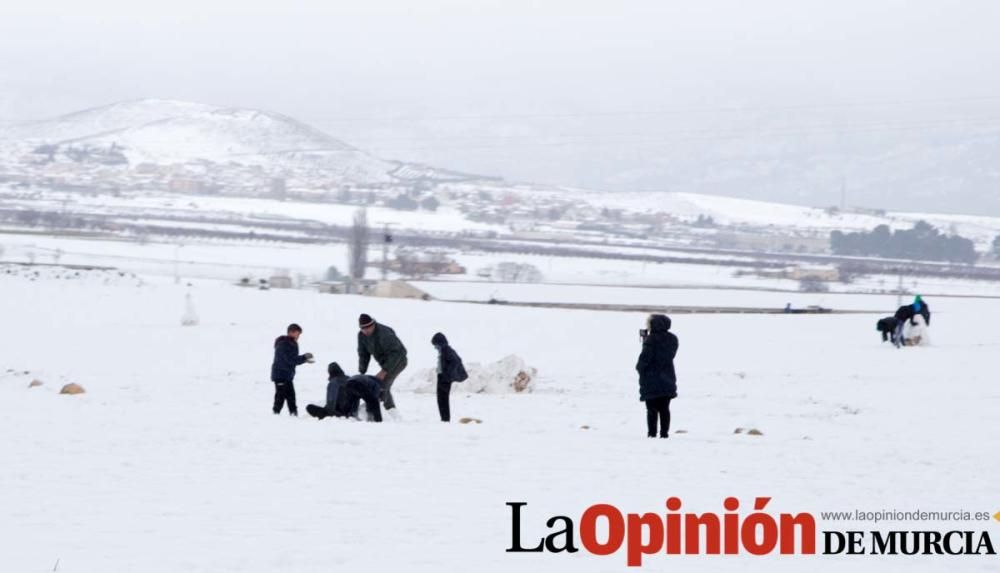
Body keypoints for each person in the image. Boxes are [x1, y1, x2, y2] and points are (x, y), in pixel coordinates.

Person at [636, 314, 678, 439]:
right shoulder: (673, 339)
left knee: (651, 409)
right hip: (667, 377)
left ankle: (652, 434)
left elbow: (645, 359)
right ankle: (664, 433)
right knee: (665, 408)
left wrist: (640, 369)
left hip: (651, 379)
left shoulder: (651, 340)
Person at [357, 313, 408, 412]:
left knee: (381, 384)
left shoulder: (384, 333)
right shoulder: (362, 336)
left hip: (398, 360)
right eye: (363, 329)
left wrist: (384, 371)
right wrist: (361, 371)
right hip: (385, 362)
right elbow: (363, 354)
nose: (366, 331)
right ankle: (390, 410)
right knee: (382, 385)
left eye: (368, 328)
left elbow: (398, 353)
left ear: (373, 325)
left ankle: (382, 410)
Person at [306, 362, 383, 422]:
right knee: (372, 401)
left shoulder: (335, 382)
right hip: (347, 407)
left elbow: (331, 399)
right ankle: (376, 422)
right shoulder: (375, 384)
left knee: (310, 407)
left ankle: (344, 416)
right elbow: (372, 401)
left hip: (340, 408)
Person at [271, 323, 313, 415]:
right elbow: (289, 359)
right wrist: (304, 357)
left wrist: (304, 360)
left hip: (287, 375)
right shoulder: (283, 344)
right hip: (280, 375)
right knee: (280, 396)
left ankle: (293, 413)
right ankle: (275, 414)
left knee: (291, 396)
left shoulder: (292, 343)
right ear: (291, 332)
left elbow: (293, 359)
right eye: (298, 334)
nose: (298, 336)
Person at [431, 332, 468, 422]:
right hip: (442, 377)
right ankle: (444, 419)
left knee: (442, 399)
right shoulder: (444, 350)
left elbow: (455, 361)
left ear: (439, 342)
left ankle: (445, 419)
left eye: (435, 344)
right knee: (441, 399)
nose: (435, 347)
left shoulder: (446, 350)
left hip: (445, 378)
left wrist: (447, 374)